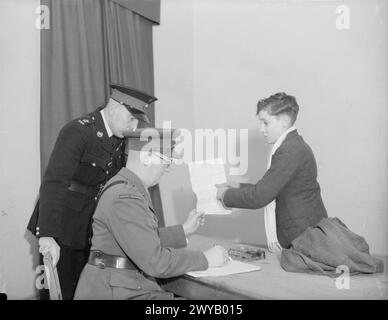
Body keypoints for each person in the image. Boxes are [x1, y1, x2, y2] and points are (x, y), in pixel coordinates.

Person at [27, 84, 157, 300]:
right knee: (58, 293)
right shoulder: (78, 131)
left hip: (90, 232)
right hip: (63, 228)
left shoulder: (120, 140)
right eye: (131, 118)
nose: (133, 126)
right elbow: (54, 183)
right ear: (114, 108)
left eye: (137, 120)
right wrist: (48, 235)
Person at [74, 128, 229, 300]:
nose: (167, 168)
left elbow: (141, 239)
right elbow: (155, 261)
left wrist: (183, 231)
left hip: (121, 285)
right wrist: (205, 259)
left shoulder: (126, 187)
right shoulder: (125, 197)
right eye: (166, 161)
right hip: (116, 292)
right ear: (147, 156)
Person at [216, 92, 328, 250]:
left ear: (284, 121)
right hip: (304, 234)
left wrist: (224, 195)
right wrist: (237, 187)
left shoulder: (289, 150)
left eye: (265, 122)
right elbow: (273, 188)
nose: (261, 129)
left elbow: (260, 196)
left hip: (304, 238)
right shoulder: (292, 145)